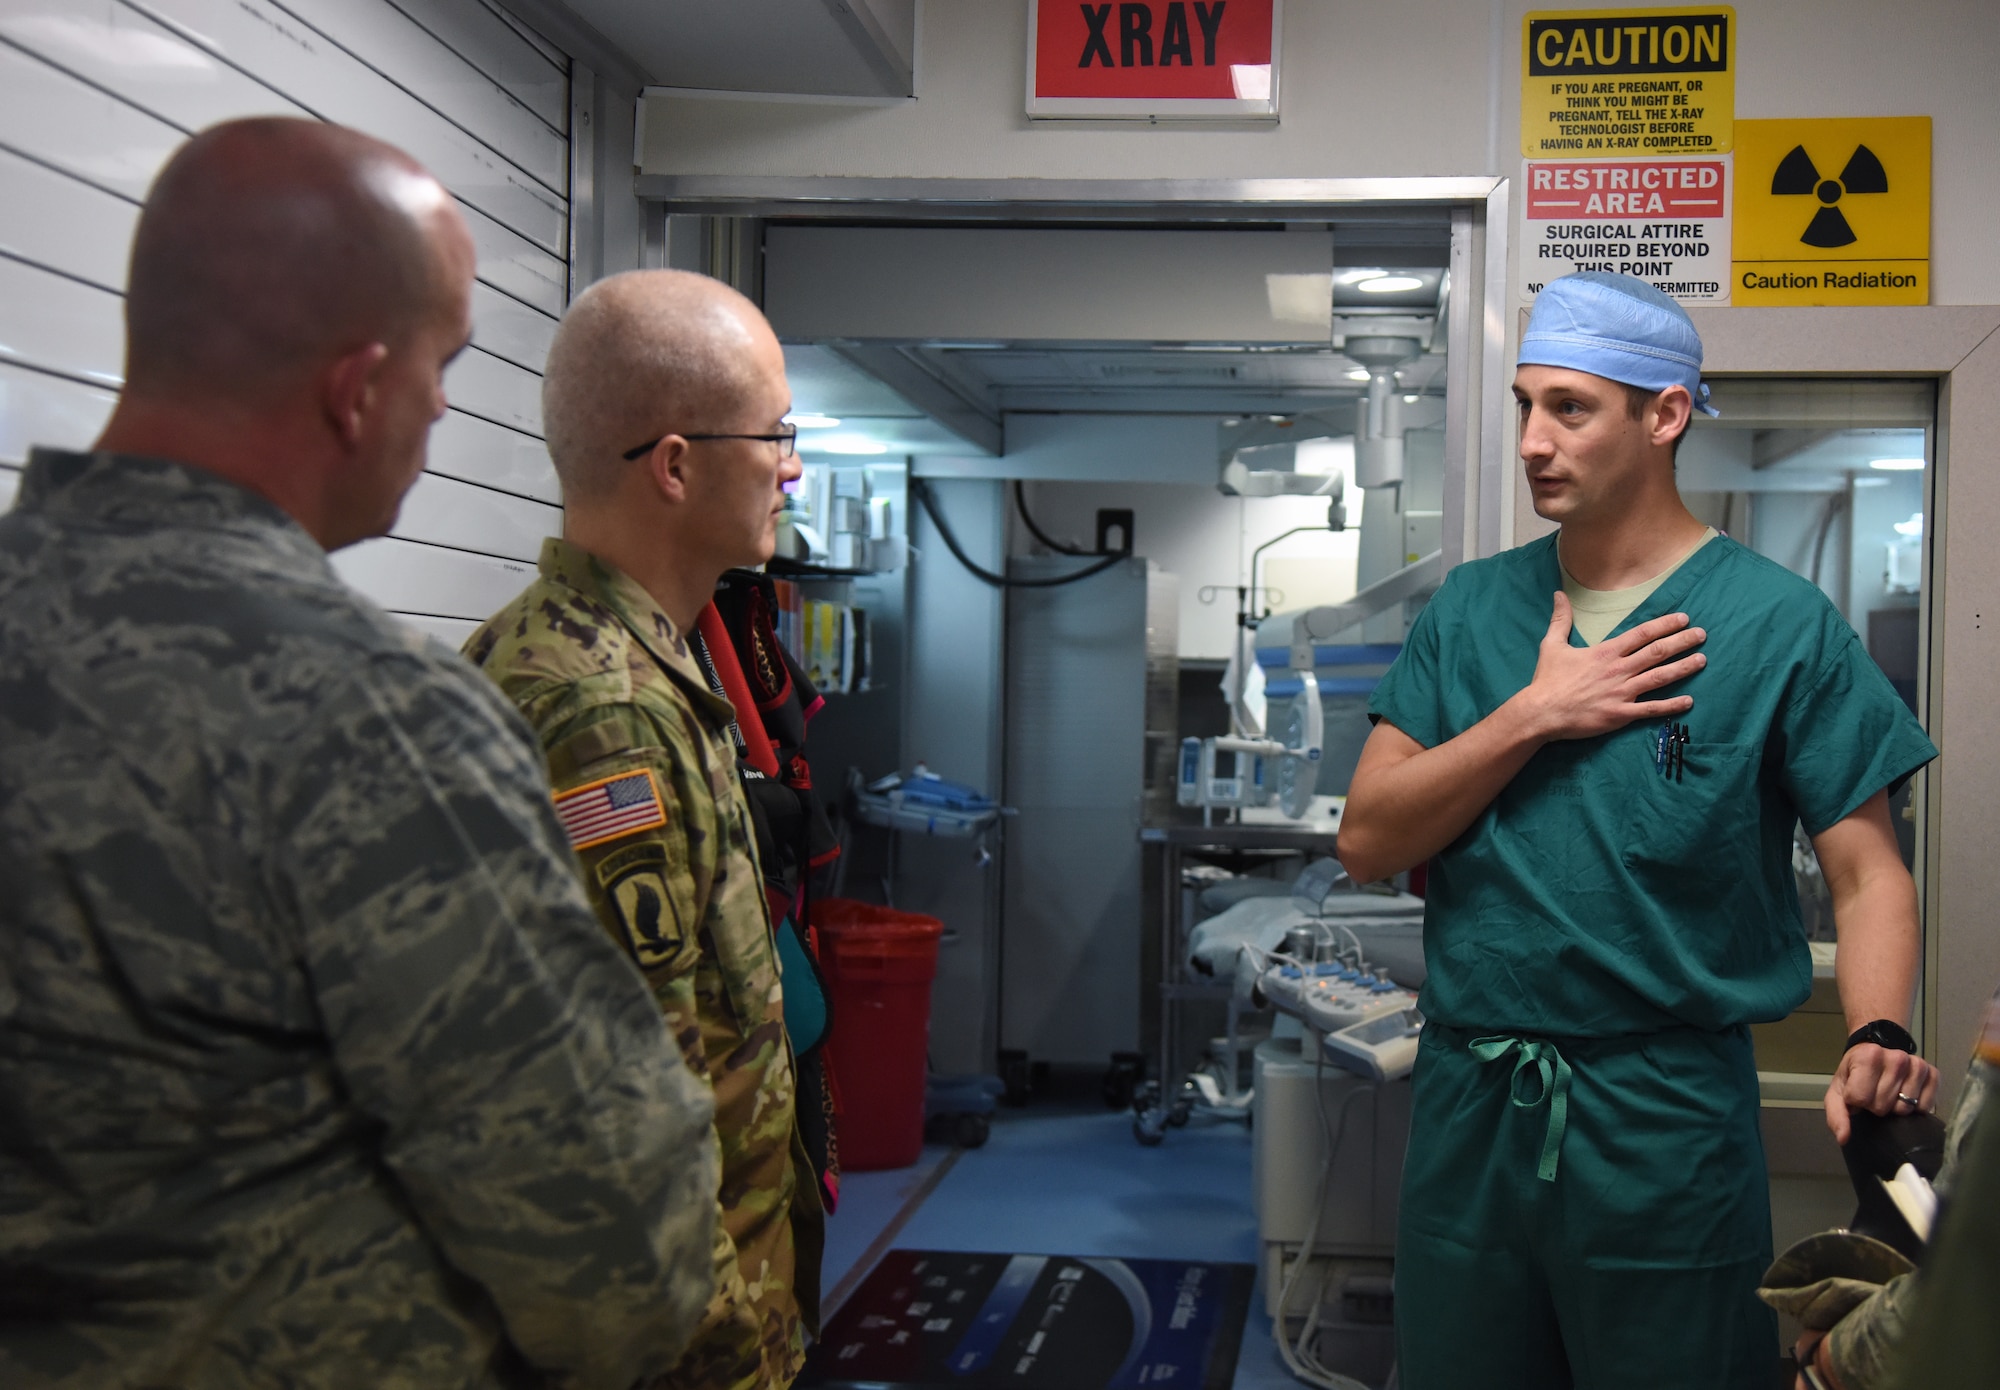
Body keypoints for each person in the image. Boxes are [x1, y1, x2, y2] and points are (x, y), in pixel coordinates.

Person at [0, 119, 720, 1389]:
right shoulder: (366, 722)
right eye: (441, 362)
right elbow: (610, 1247)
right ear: (356, 387)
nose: (444, 404)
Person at [1337, 271, 1940, 1389]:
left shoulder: (1773, 624)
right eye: (1523, 404)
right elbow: (1366, 838)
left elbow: (1864, 873)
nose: (1530, 439)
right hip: (1474, 1103)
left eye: (1568, 408)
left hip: (1661, 1120)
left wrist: (1877, 1034)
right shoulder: (1471, 610)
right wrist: (1533, 714)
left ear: (1662, 415)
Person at [465, 269, 822, 1390]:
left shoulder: (650, 664)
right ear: (674, 464)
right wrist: (732, 1356)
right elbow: (626, 1115)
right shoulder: (598, 706)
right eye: (775, 434)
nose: (793, 466)